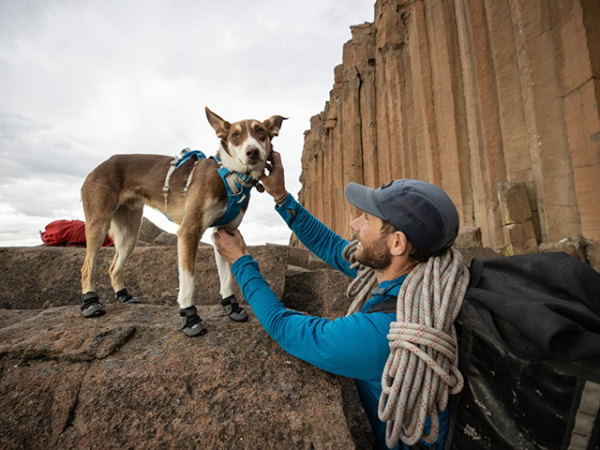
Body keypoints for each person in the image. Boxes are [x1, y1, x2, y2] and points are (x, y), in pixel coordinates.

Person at [213, 151, 462, 450]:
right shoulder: (430, 281)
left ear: (397, 243)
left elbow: (285, 328)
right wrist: (281, 197)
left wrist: (240, 261)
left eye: (368, 219)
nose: (355, 224)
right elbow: (334, 248)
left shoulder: (385, 333)